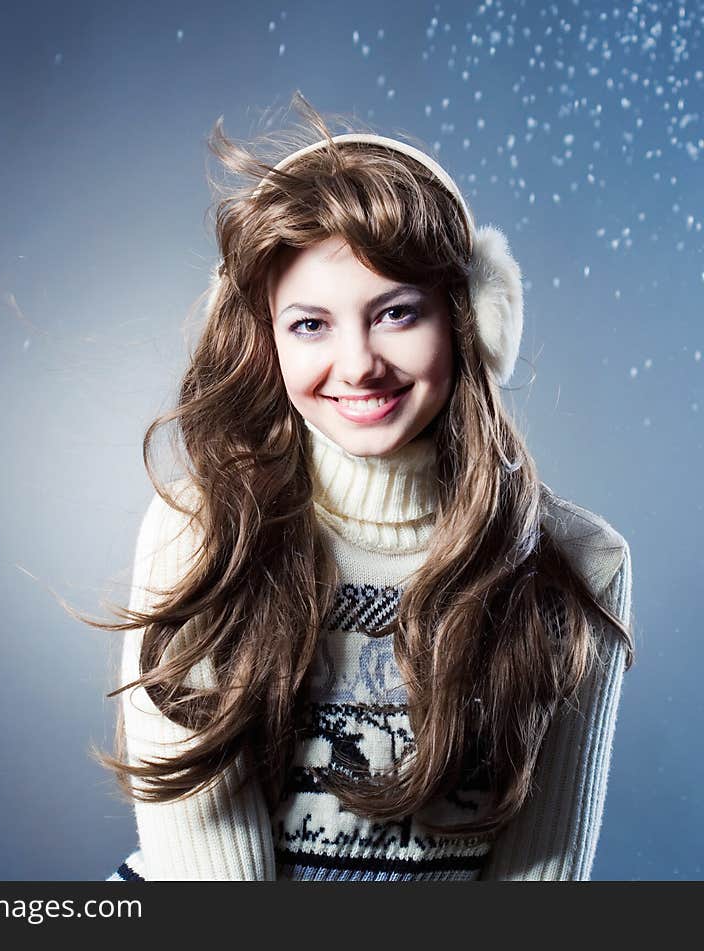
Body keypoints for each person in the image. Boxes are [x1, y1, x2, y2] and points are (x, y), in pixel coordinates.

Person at [87, 94, 634, 881]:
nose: (358, 364)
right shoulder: (203, 528)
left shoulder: (582, 564)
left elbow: (541, 871)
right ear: (264, 339)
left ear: (473, 320)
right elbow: (204, 864)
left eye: (397, 313)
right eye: (311, 324)